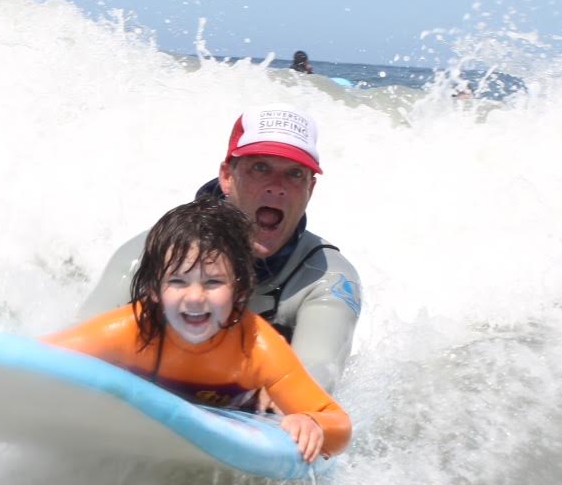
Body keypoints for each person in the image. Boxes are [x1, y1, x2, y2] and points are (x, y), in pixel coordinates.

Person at [78, 104, 362, 389]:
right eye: (260, 168)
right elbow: (78, 351)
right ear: (227, 177)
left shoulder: (326, 279)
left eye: (295, 174)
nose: (277, 187)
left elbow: (317, 379)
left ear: (310, 189)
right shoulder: (153, 252)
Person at [48, 200, 350, 462]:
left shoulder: (257, 347)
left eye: (213, 282)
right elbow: (41, 358)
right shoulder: (131, 328)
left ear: (240, 290)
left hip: (240, 414)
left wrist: (313, 424)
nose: (194, 297)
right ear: (153, 290)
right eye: (177, 282)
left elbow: (336, 421)